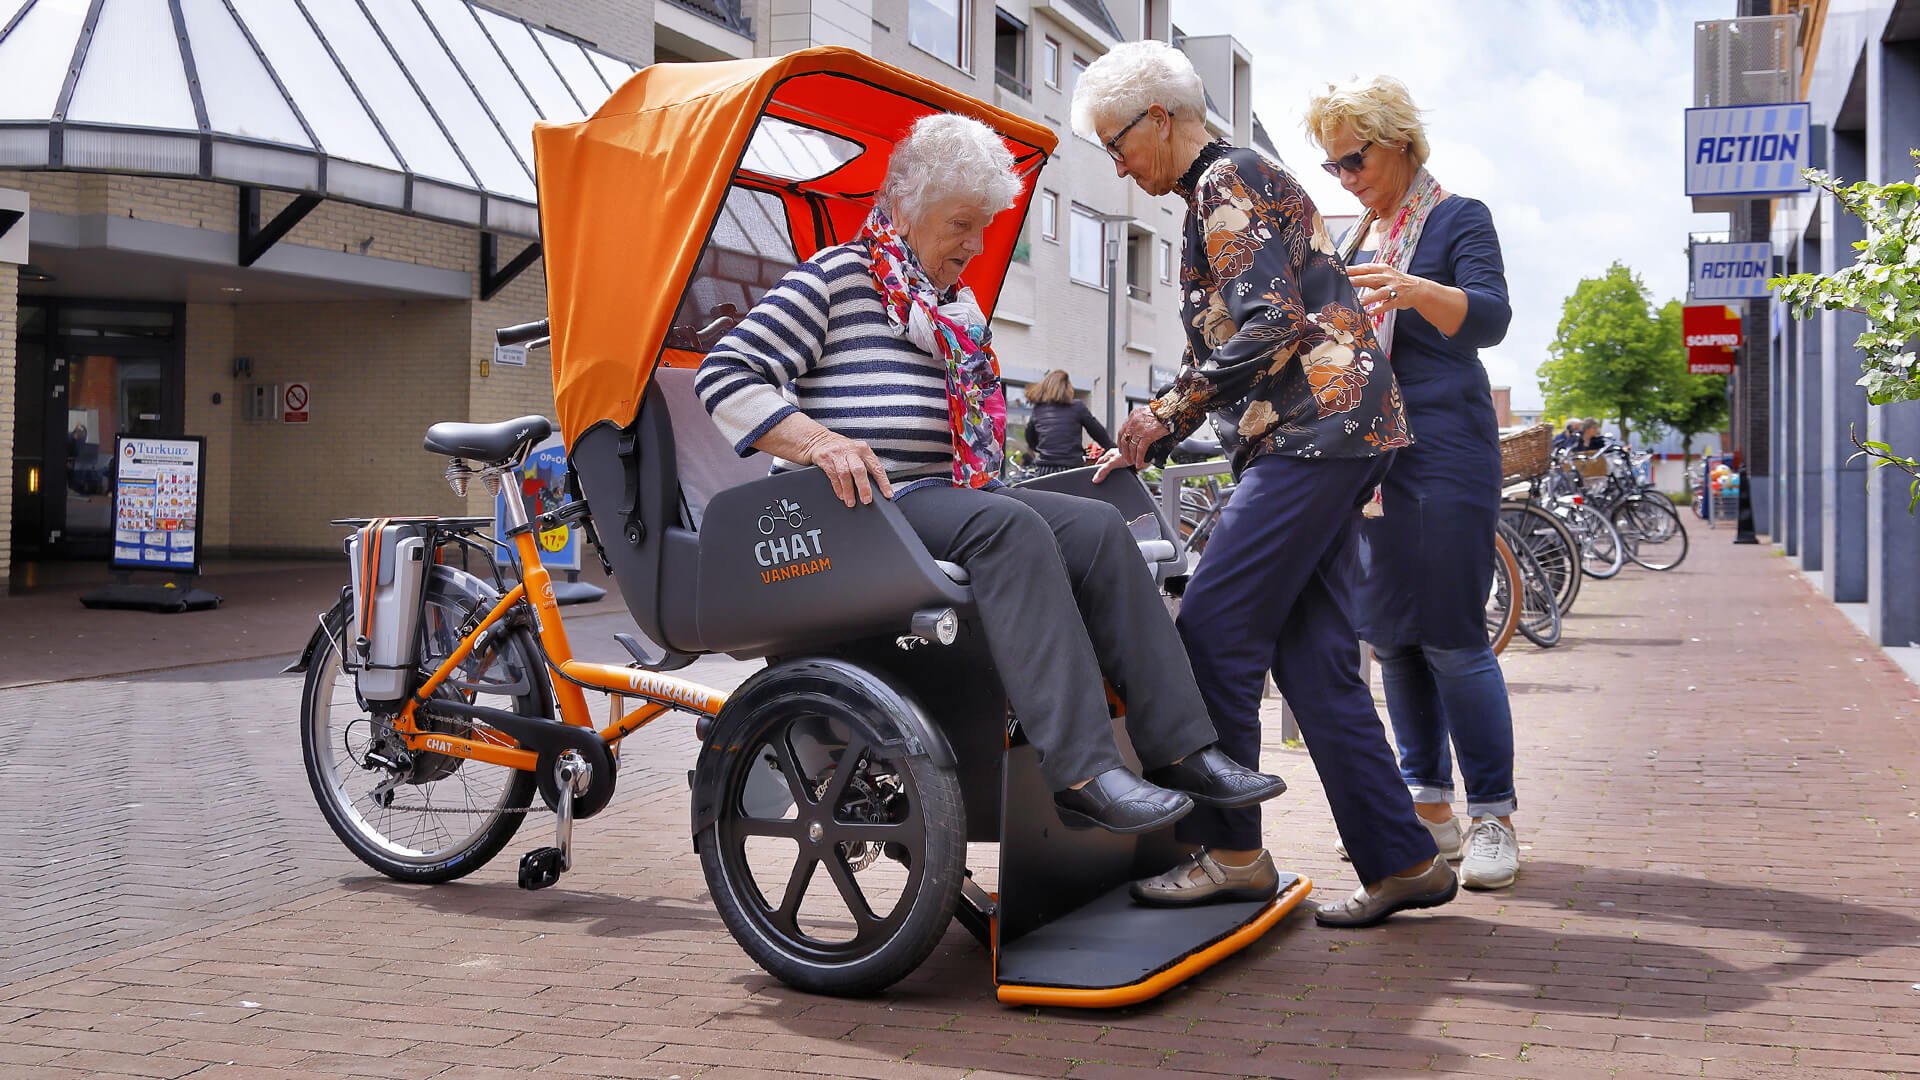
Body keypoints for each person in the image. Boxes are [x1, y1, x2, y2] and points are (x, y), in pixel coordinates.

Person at [697, 113, 1286, 837]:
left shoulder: (951, 309)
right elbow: (727, 373)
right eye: (961, 226)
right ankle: (1082, 770)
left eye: (983, 228)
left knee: (1100, 527)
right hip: (863, 508)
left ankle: (1183, 748)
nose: (975, 248)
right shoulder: (835, 279)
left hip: (940, 499)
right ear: (908, 210)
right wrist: (819, 441)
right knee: (1006, 527)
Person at [1074, 42, 1457, 926]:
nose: (1118, 162)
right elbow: (1227, 336)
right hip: (1338, 425)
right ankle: (1403, 860)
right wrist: (1151, 434)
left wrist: (1164, 414)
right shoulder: (1221, 188)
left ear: (1159, 120)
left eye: (1117, 142)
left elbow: (1271, 322)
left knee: (1209, 632)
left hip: (1312, 430)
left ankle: (1232, 853)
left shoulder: (1222, 183)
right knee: (1315, 665)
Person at [1306, 75, 1520, 890]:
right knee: (1392, 634)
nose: (1345, 177)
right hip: (1374, 459)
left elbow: (1493, 319)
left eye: (1353, 159)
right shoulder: (1359, 234)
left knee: (1455, 636)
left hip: (1445, 449)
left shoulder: (1458, 218)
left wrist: (1418, 289)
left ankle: (1494, 814)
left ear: (1397, 141)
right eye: (1331, 167)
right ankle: (1428, 807)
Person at [1023, 370, 1114, 474]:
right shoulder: (1077, 407)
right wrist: (1112, 448)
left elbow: (1030, 438)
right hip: (1071, 469)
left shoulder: (1038, 410)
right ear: (1067, 388)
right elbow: (1098, 432)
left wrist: (1044, 449)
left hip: (1045, 469)